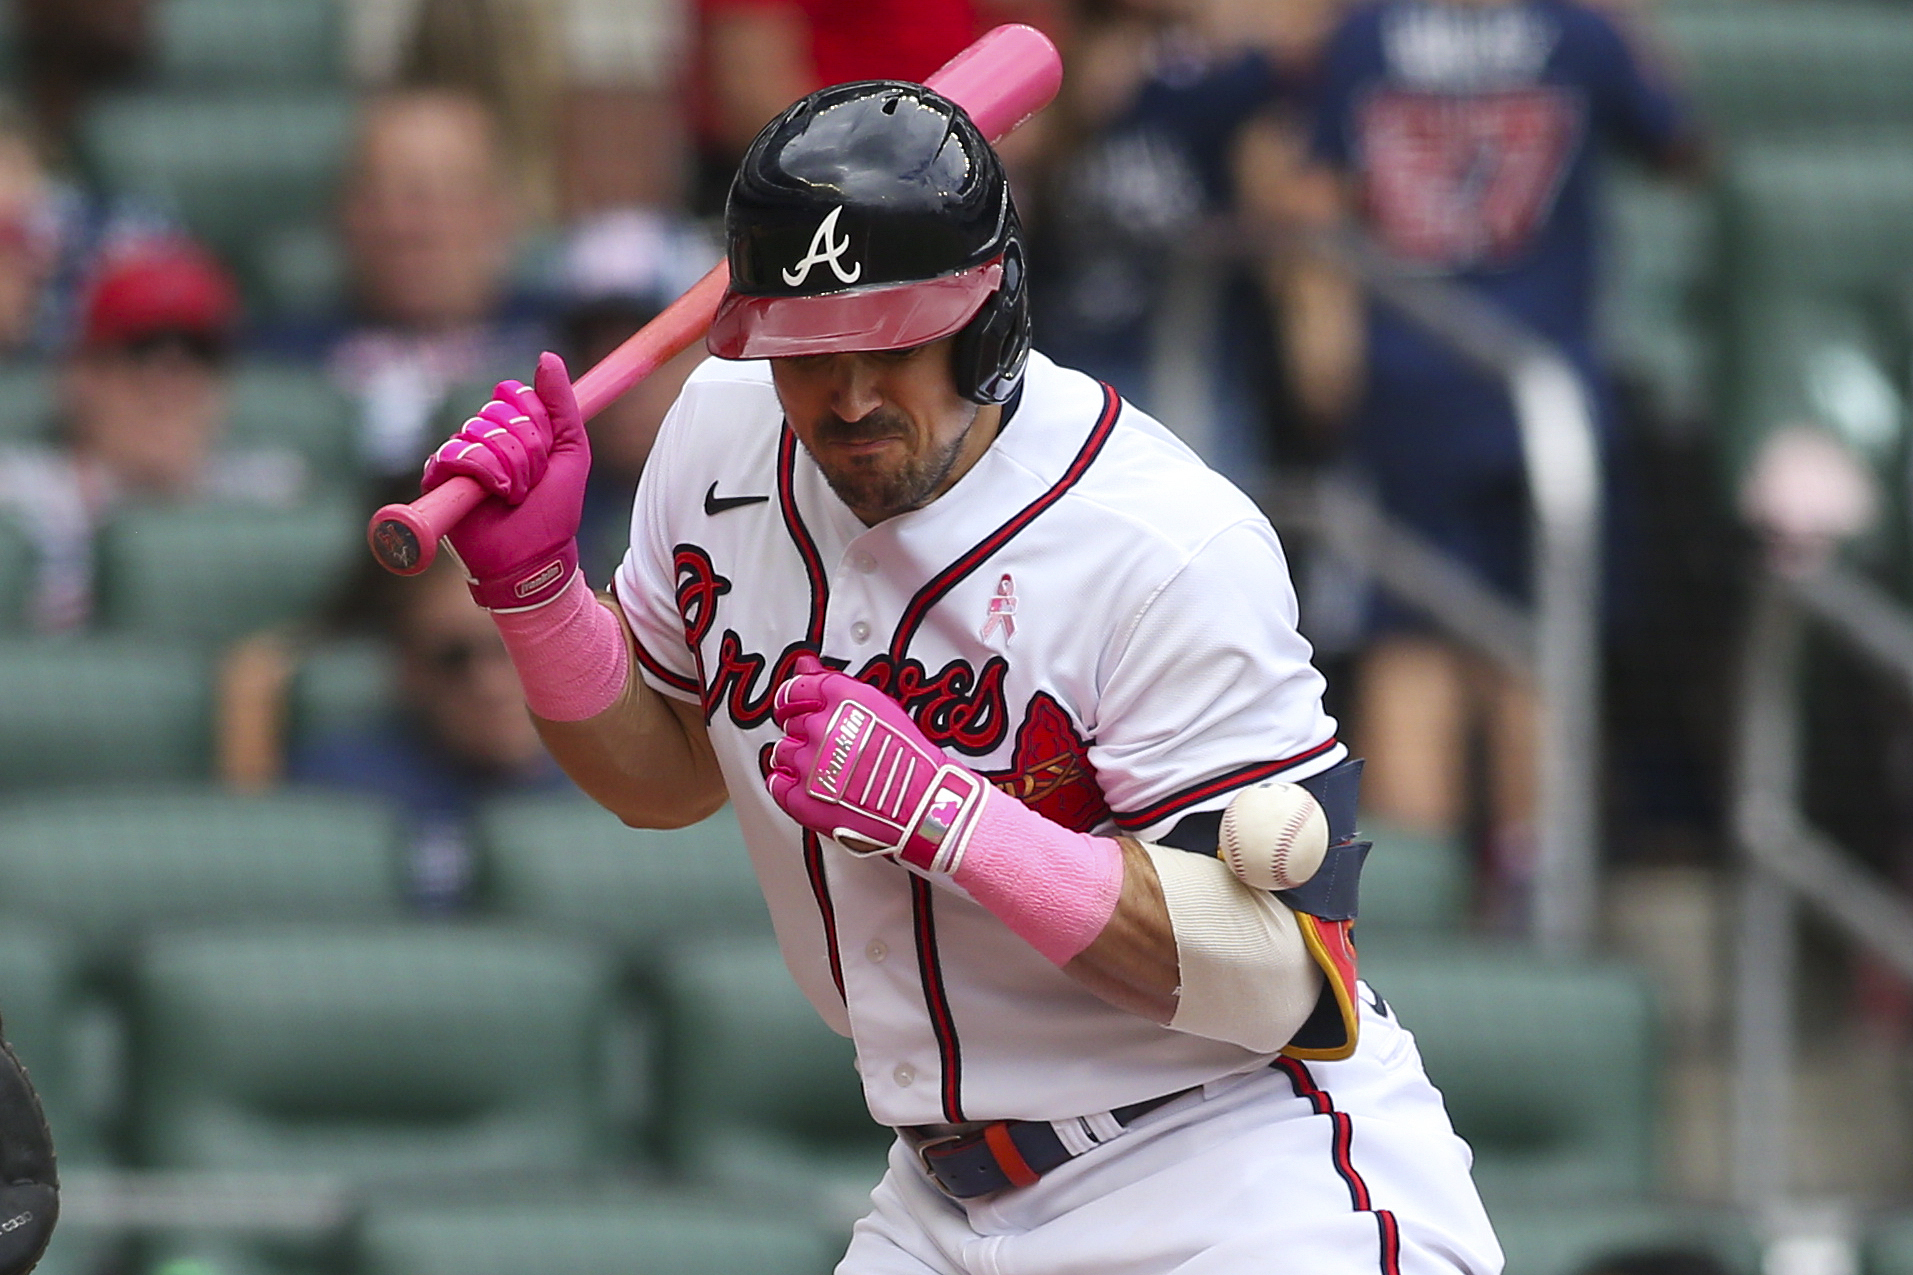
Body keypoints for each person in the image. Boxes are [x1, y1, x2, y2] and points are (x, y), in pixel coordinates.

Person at [415, 81, 1500, 1272]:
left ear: (988, 316)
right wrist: (537, 599)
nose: (851, 396)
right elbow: (665, 777)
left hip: (1227, 1176)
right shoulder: (715, 440)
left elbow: (1285, 983)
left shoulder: (1163, 542)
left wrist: (950, 819)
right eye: (809, 351)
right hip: (944, 1200)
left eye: (893, 340)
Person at [1294, 0, 1700, 917]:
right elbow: (1682, 148)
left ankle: (1410, 927)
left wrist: (1319, 325)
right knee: (1528, 657)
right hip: (1541, 393)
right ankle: (1529, 903)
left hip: (1407, 386)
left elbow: (1314, 189)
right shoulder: (1580, 31)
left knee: (1411, 651)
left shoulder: (1364, 33)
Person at [0, 237, 305, 631]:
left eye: (198, 354)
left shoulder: (270, 496)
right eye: (139, 351)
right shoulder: (15, 497)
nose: (167, 383)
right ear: (79, 377)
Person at [289, 550, 573, 911]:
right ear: (407, 669)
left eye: (512, 647)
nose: (490, 684)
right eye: (453, 657)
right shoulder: (338, 784)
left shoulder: (613, 780)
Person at [295, 89, 547, 478]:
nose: (402, 225)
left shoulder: (564, 349)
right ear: (344, 216)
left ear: (499, 212)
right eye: (376, 197)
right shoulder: (281, 360)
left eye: (433, 198)